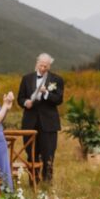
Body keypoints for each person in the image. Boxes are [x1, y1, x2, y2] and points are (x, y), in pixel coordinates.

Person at [16, 53, 64, 182]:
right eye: (41, 65)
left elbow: (59, 99)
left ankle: (47, 182)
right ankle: (33, 181)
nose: (43, 68)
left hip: (49, 123)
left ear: (49, 66)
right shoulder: (26, 78)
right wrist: (26, 103)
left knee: (49, 154)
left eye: (46, 66)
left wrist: (46, 93)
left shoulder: (56, 79)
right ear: (37, 63)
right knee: (31, 153)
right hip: (30, 122)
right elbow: (20, 98)